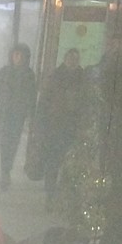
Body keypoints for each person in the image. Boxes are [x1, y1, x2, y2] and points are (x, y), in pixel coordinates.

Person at [32, 47, 88, 195]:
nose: (72, 62)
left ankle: (62, 194)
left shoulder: (83, 79)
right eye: (70, 58)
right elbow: (44, 102)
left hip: (73, 127)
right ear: (65, 59)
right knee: (53, 160)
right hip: (54, 126)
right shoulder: (55, 77)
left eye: (75, 59)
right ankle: (50, 193)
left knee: (69, 163)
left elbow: (86, 103)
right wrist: (40, 124)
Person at [0, 43, 37, 190]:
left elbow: (32, 97)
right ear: (12, 56)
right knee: (4, 143)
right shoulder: (4, 72)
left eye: (21, 55)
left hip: (18, 116)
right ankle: (4, 171)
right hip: (3, 115)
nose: (19, 58)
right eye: (16, 55)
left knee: (13, 144)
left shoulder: (29, 75)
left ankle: (6, 169)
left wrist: (31, 116)